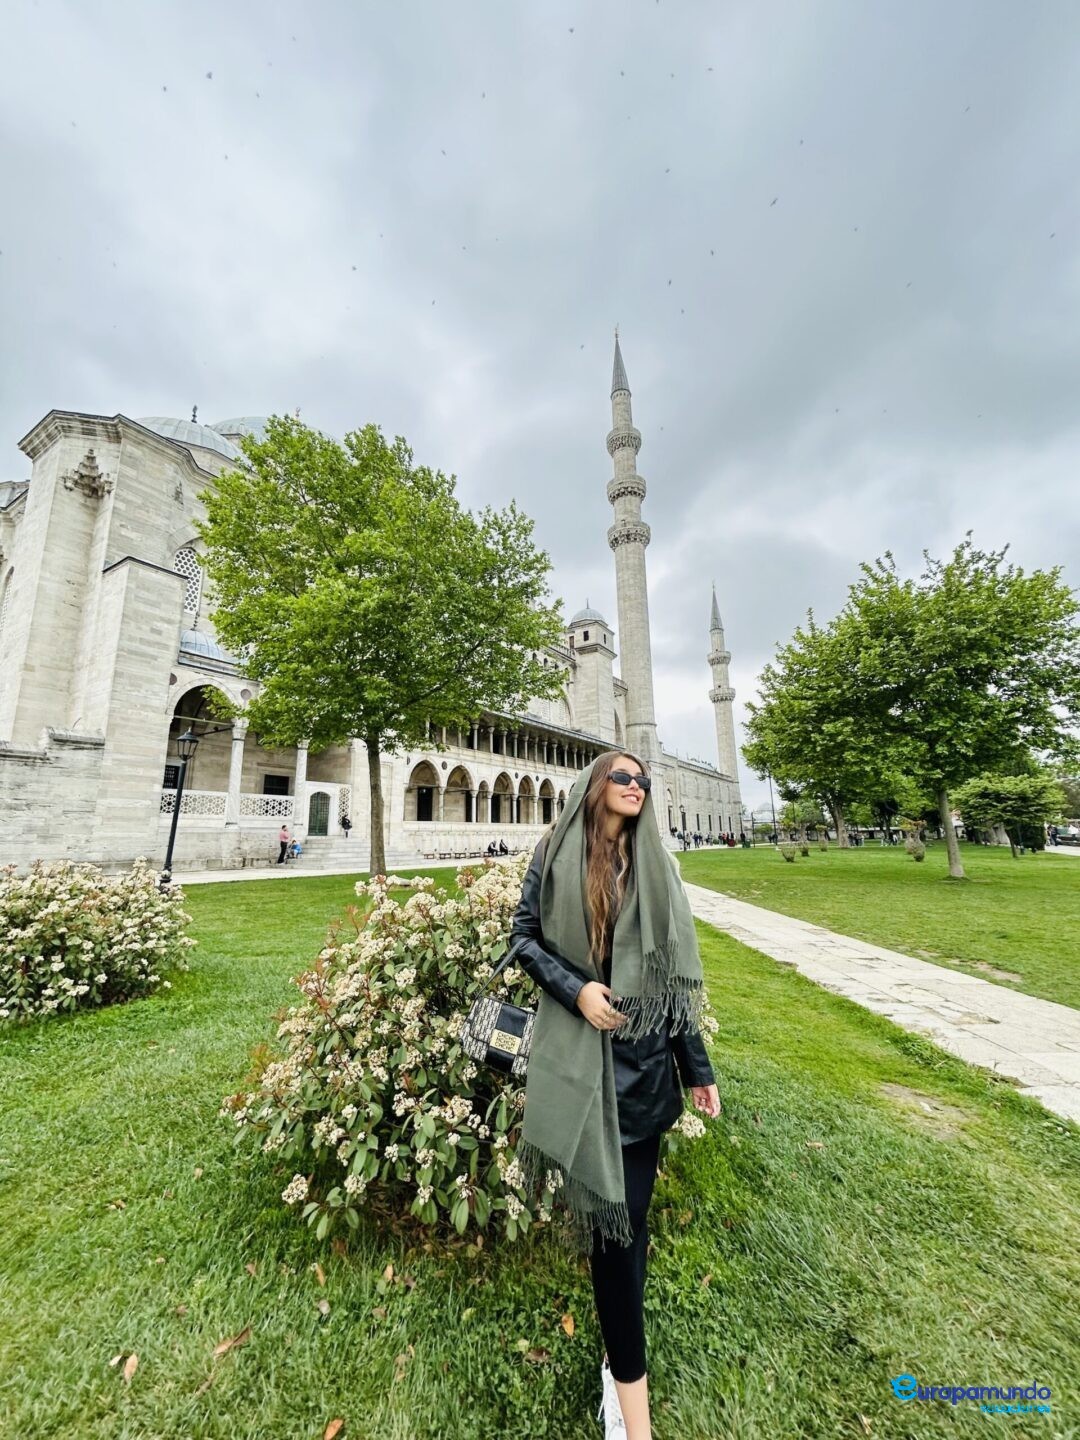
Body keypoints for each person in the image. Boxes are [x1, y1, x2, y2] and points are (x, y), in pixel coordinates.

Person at [510, 751, 720, 1440]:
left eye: (644, 781)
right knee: (615, 1237)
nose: (636, 787)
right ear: (594, 786)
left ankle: (621, 1377)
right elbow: (524, 940)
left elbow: (672, 978)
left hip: (642, 1077)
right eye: (623, 777)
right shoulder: (555, 852)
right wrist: (577, 989)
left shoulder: (656, 864)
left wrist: (698, 1067)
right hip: (578, 1068)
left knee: (623, 1228)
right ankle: (631, 1397)